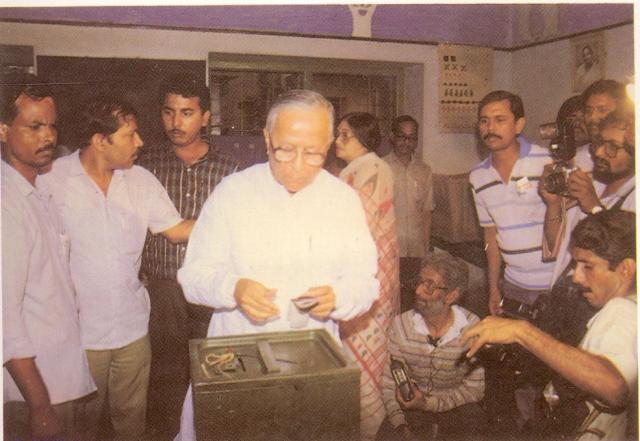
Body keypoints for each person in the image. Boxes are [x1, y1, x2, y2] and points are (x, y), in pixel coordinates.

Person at [175, 89, 380, 440]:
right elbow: (193, 276)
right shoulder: (233, 193)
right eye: (286, 150)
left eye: (314, 153)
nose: (299, 164)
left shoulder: (342, 201)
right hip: (236, 360)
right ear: (267, 140)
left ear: (329, 144)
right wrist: (233, 288)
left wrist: (339, 296)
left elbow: (366, 283)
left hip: (311, 364)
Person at [38, 96, 194, 440]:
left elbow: (177, 228)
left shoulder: (140, 180)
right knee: (80, 428)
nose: (139, 142)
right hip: (78, 336)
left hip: (132, 331)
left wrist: (232, 224)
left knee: (131, 425)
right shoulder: (51, 182)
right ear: (100, 140)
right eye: (130, 135)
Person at [463, 210, 637, 441]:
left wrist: (522, 331)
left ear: (625, 268)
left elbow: (615, 388)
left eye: (588, 266)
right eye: (576, 265)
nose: (576, 277)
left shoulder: (621, 310)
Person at [138, 75, 237, 435]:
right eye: (169, 112)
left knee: (211, 376)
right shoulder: (144, 163)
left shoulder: (228, 169)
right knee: (164, 379)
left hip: (210, 292)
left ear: (206, 117)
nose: (176, 123)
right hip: (162, 288)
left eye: (187, 113)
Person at [1, 73, 96, 441]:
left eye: (52, 126)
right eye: (34, 126)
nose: (48, 137)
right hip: (37, 393)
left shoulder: (36, 191)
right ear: (4, 130)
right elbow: (4, 319)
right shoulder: (7, 206)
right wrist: (40, 406)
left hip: (64, 377)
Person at [335, 112, 401, 440]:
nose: (337, 140)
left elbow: (362, 228)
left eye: (345, 134)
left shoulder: (374, 169)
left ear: (363, 137)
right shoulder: (354, 170)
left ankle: (369, 429)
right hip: (357, 280)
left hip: (371, 282)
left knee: (365, 363)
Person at [378, 252, 485, 441]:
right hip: (410, 411)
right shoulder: (401, 326)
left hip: (455, 408)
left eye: (429, 285)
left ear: (452, 295)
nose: (418, 291)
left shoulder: (471, 328)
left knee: (475, 423)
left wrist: (429, 404)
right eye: (419, 282)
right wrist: (401, 425)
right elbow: (389, 384)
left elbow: (474, 389)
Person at [469, 90, 553, 316]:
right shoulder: (478, 176)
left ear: (519, 125)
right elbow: (490, 237)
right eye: (484, 121)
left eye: (500, 120)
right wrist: (493, 287)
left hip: (555, 285)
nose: (490, 128)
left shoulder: (546, 162)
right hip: (513, 286)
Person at [542, 104, 635, 289]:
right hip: (566, 296)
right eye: (598, 143)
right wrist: (553, 203)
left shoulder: (633, 197)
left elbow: (627, 262)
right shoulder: (591, 182)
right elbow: (557, 251)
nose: (599, 152)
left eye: (613, 147)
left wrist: (594, 208)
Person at [383, 115, 434, 312]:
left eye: (411, 138)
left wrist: (427, 249)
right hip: (389, 249)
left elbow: (427, 211)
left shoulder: (424, 170)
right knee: (388, 300)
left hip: (415, 249)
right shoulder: (380, 168)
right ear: (392, 137)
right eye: (401, 137)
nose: (406, 142)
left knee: (414, 301)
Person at [573, 80, 627, 173]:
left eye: (602, 110)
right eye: (588, 110)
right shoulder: (576, 157)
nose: (592, 117)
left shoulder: (627, 158)